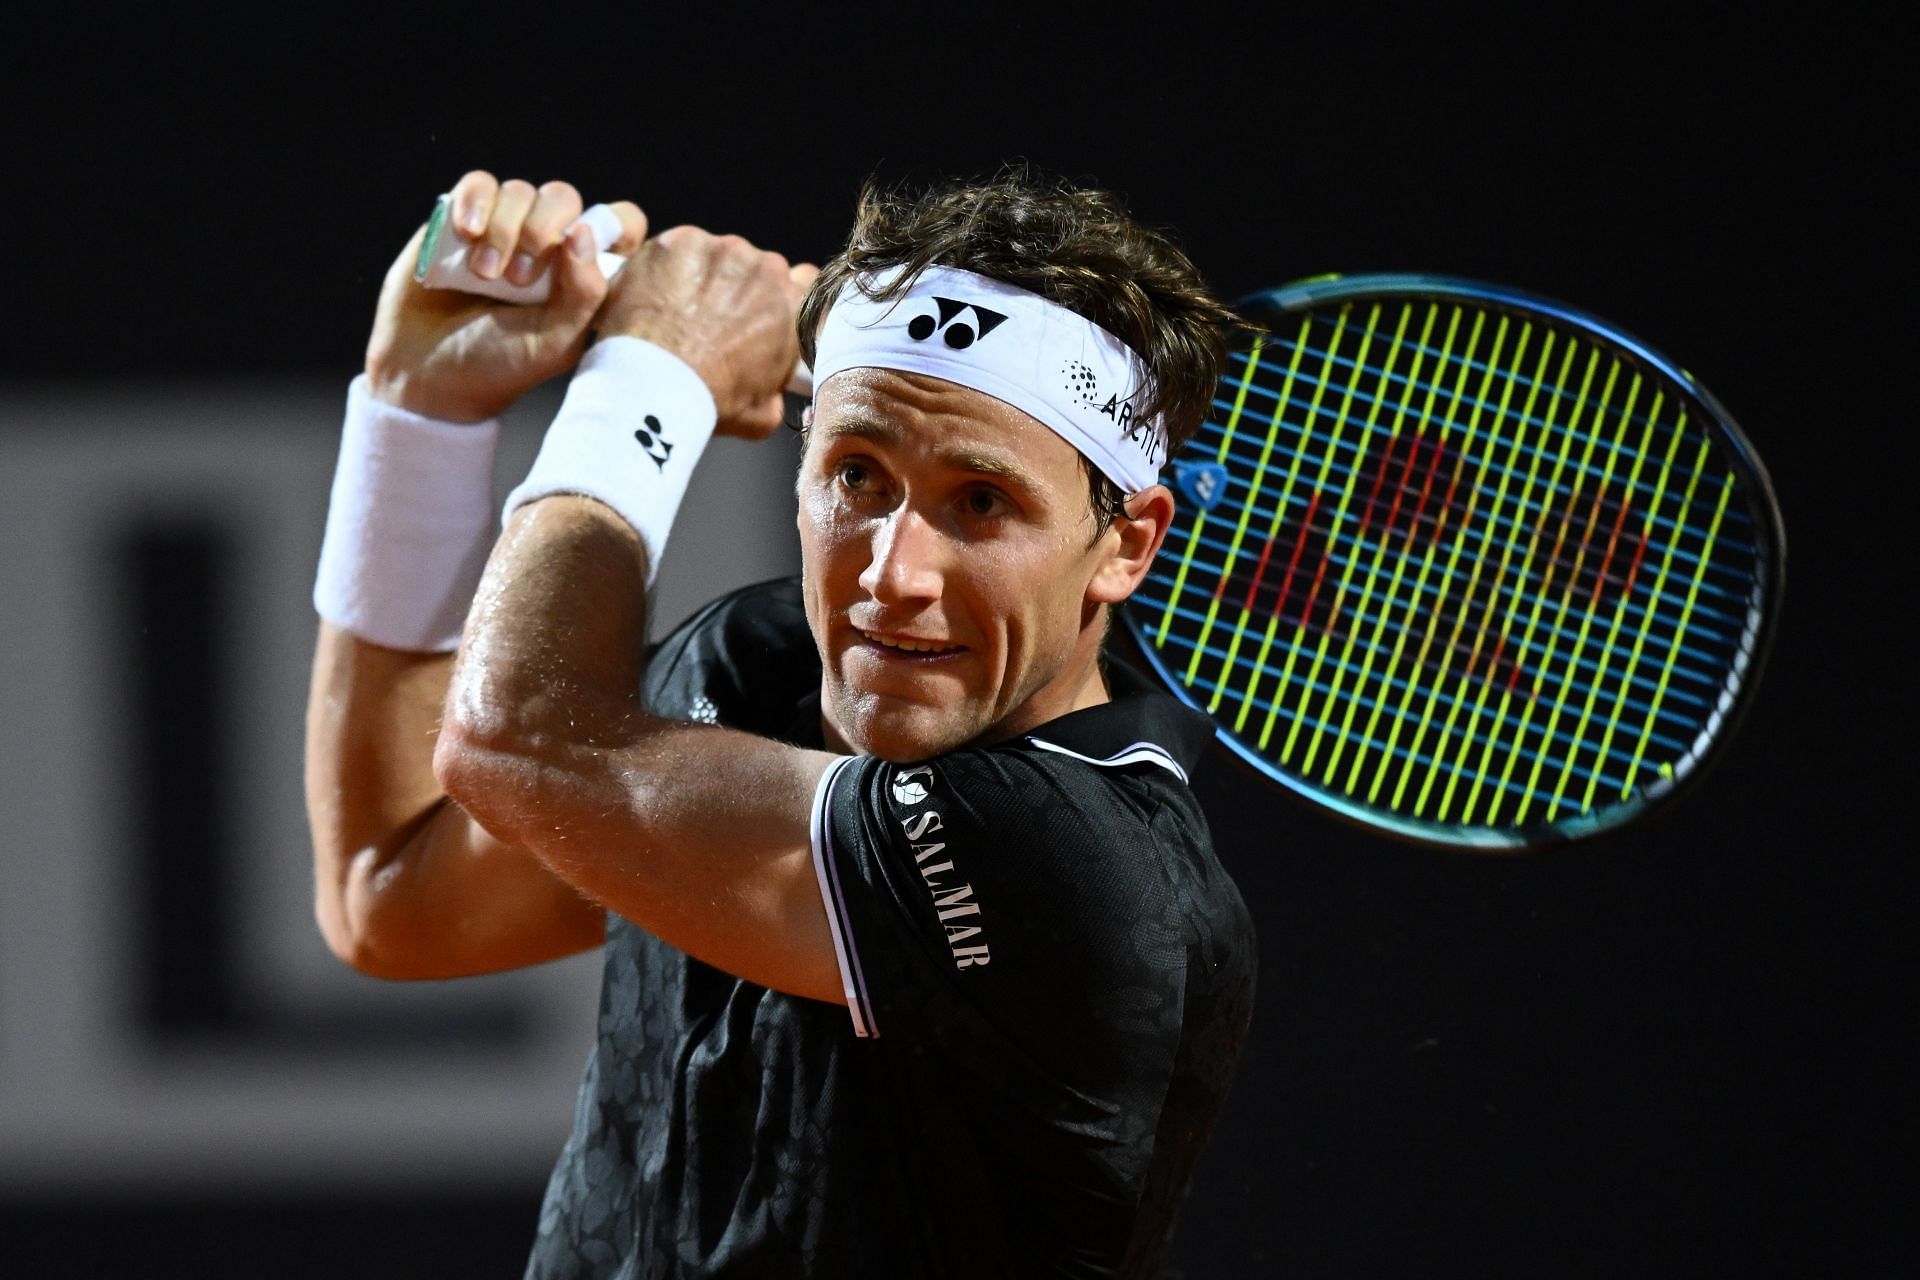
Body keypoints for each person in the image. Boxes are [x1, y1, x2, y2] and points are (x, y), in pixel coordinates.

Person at [305, 167, 1256, 1278]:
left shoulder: (1077, 860)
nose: (894, 573)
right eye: (859, 473)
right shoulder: (752, 667)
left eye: (981, 502)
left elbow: (509, 739)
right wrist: (420, 410)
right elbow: (390, 890)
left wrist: (650, 375)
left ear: (1129, 543)